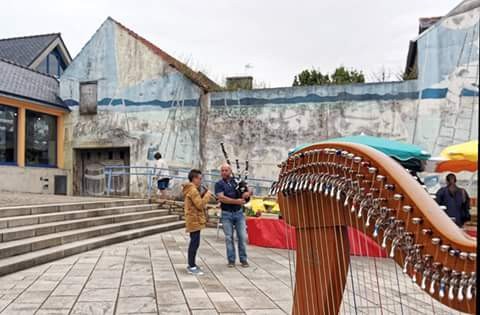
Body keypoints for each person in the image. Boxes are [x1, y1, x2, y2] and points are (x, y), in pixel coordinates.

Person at [215, 163, 252, 268]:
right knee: (228, 237)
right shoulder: (219, 184)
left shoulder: (236, 182)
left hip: (238, 213)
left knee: (242, 236)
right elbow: (221, 198)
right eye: (222, 170)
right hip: (226, 213)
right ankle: (231, 260)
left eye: (226, 170)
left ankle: (243, 259)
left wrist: (247, 193)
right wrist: (236, 201)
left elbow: (248, 190)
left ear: (230, 171)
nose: (224, 172)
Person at [182, 169, 212, 275]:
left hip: (194, 219)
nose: (200, 181)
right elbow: (200, 205)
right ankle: (191, 266)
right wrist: (208, 195)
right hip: (194, 220)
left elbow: (197, 202)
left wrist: (203, 194)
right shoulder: (193, 190)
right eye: (199, 178)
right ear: (194, 178)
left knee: (195, 242)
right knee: (194, 243)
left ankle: (192, 264)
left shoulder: (193, 189)